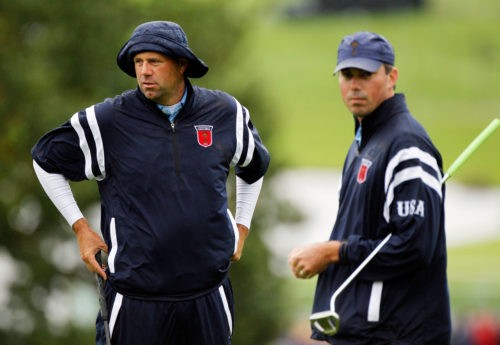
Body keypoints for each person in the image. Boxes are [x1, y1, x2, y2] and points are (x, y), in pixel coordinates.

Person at [31, 20, 270, 345]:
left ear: (181, 64)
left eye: (154, 62)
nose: (143, 71)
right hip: (135, 300)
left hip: (207, 297)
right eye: (138, 62)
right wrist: (80, 227)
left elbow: (253, 167)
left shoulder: (225, 113)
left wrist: (241, 227)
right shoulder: (109, 121)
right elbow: (44, 159)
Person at [288, 31, 451, 344]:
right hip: (367, 331)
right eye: (347, 75)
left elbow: (414, 246)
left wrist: (333, 252)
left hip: (396, 334)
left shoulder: (406, 145)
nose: (354, 85)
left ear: (391, 77)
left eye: (365, 74)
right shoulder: (365, 143)